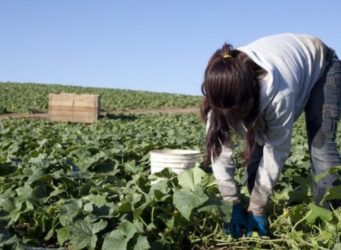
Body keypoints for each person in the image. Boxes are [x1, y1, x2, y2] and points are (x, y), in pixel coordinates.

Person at [200, 33, 341, 238]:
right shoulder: (221, 95)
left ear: (251, 97)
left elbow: (276, 150)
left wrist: (258, 207)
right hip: (289, 68)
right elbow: (220, 152)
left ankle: (330, 222)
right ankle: (249, 212)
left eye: (238, 113)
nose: (234, 119)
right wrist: (230, 201)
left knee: (322, 149)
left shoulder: (279, 94)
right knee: (255, 153)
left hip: (322, 68)